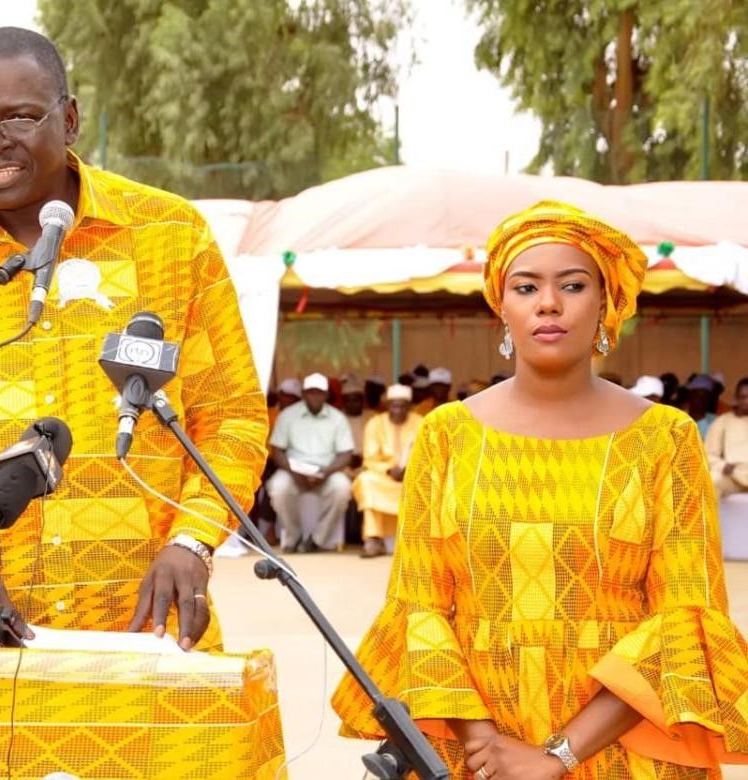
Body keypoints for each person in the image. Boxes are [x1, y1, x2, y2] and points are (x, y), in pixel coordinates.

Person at [0, 27, 267, 652]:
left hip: (140, 629)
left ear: (68, 120)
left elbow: (232, 419)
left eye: (19, 116)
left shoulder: (172, 237)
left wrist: (192, 540)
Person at [332, 200, 748, 779]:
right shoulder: (447, 435)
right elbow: (421, 608)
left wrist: (556, 755)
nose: (548, 303)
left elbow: (683, 617)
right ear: (501, 305)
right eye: (525, 287)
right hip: (476, 748)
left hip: (622, 750)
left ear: (605, 300)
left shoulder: (665, 439)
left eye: (572, 285)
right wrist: (491, 751)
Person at [266, 372, 353, 553]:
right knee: (278, 487)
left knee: (342, 488)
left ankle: (317, 539)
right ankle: (294, 535)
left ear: (326, 395)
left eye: (319, 392)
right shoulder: (287, 416)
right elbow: (277, 451)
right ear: (304, 393)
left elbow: (346, 454)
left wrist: (325, 473)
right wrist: (293, 472)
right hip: (294, 471)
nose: (315, 396)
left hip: (327, 471)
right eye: (311, 392)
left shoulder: (338, 418)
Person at [352, 384, 422, 558]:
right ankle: (373, 539)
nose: (397, 410)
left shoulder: (421, 423)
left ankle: (418, 540)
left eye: (402, 406)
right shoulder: (375, 423)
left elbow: (429, 455)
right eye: (394, 405)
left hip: (414, 475)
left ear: (409, 406)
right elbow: (370, 458)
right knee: (365, 481)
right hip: (384, 476)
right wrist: (389, 470)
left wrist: (409, 470)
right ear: (387, 405)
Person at [706, 377, 748, 499]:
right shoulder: (722, 422)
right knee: (713, 479)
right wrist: (723, 465)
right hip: (733, 476)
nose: (747, 401)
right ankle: (709, 518)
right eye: (743, 397)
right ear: (736, 399)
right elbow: (709, 454)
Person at [686, 374, 717, 439]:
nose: (701, 401)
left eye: (705, 397)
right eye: (697, 396)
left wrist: (702, 420)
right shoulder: (678, 417)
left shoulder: (715, 421)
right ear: (690, 396)